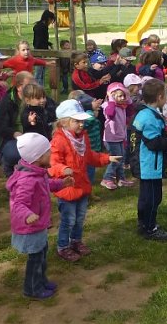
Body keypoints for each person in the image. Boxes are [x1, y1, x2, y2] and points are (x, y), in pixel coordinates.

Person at [48, 100, 117, 262]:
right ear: (64, 122)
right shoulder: (59, 140)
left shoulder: (82, 137)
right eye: (76, 121)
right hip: (67, 188)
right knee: (68, 219)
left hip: (82, 185)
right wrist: (62, 170)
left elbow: (90, 156)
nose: (81, 124)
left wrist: (107, 158)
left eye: (82, 121)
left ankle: (76, 241)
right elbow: (53, 162)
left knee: (79, 218)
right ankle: (63, 246)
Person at [7, 133, 71, 300]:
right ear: (37, 157)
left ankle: (41, 281)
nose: (51, 154)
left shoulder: (36, 172)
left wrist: (61, 183)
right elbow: (18, 204)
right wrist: (27, 215)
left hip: (38, 224)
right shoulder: (27, 179)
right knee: (35, 259)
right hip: (30, 226)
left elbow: (46, 185)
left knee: (42, 253)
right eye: (48, 152)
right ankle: (32, 289)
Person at [132, 79, 167, 241]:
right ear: (160, 97)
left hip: (145, 164)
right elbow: (154, 143)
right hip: (150, 165)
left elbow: (150, 137)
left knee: (145, 197)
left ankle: (143, 223)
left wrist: (166, 134)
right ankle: (150, 228)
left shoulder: (144, 113)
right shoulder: (150, 118)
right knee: (153, 198)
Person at [0, 71, 35, 176]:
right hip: (13, 139)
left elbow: (51, 111)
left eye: (34, 83)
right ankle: (9, 168)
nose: (33, 86)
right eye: (29, 84)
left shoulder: (37, 97)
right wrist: (14, 133)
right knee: (13, 154)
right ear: (19, 87)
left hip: (33, 136)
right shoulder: (7, 102)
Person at [101, 82, 132, 189]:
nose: (123, 98)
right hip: (111, 138)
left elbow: (130, 110)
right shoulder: (108, 105)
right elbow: (110, 114)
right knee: (116, 158)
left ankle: (121, 179)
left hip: (120, 137)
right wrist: (111, 100)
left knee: (121, 158)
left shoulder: (122, 106)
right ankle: (107, 178)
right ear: (112, 95)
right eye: (120, 96)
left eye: (124, 95)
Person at [32, 10, 56, 87]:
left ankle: (40, 88)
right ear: (48, 18)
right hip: (40, 51)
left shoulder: (41, 26)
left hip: (41, 50)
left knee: (42, 71)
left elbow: (43, 39)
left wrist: (49, 44)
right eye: (51, 20)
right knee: (39, 71)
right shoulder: (41, 27)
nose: (51, 22)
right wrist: (44, 50)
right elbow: (39, 41)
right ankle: (36, 88)